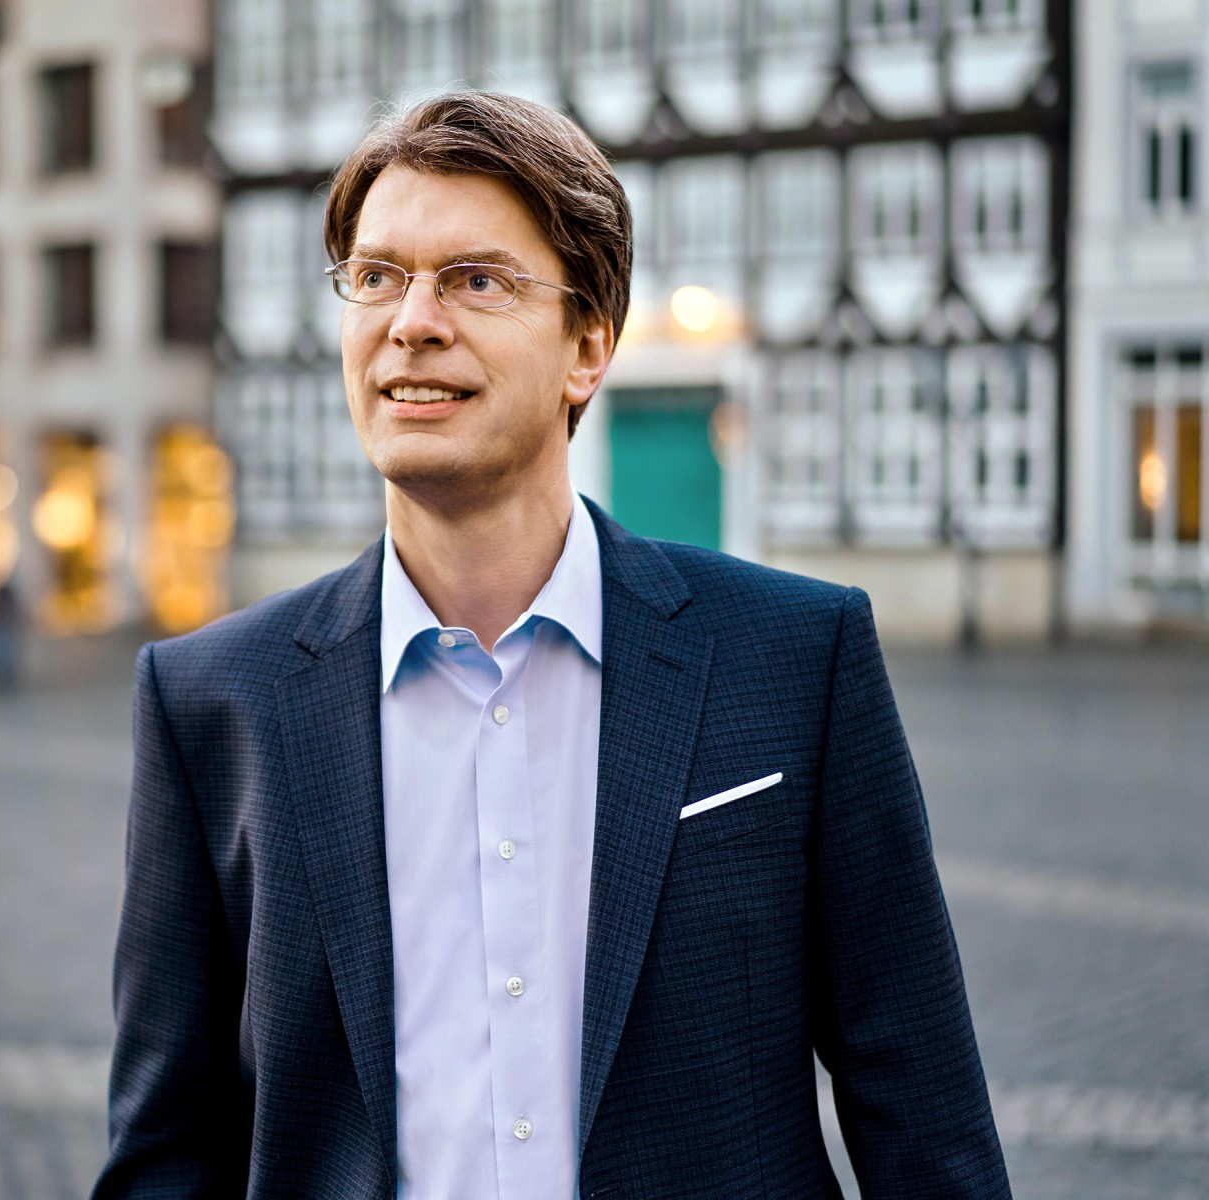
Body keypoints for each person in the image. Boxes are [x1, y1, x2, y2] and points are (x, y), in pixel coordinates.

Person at [94, 91, 1009, 1199]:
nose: (411, 320)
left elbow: (924, 1120)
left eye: (475, 280)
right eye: (377, 277)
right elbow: (165, 1157)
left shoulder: (797, 659)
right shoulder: (207, 703)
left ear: (588, 345)